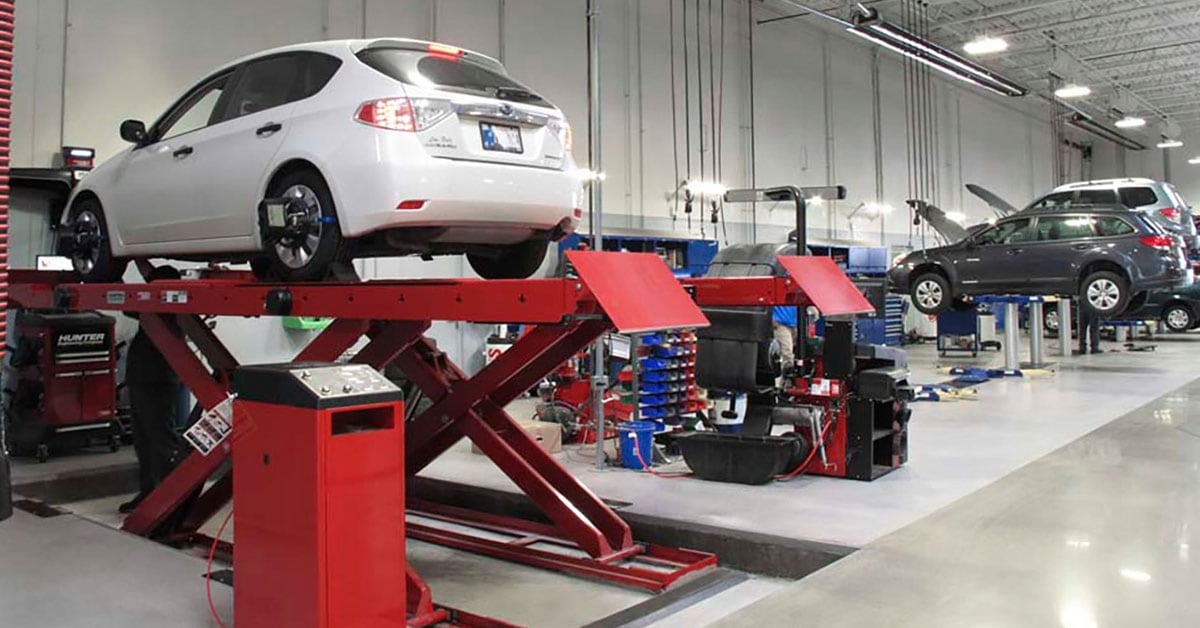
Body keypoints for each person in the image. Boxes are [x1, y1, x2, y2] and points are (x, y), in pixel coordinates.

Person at [119, 266, 186, 514]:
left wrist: (113, 273)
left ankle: (169, 497)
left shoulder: (167, 308)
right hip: (143, 380)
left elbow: (127, 304)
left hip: (156, 382)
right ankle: (149, 492)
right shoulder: (157, 307)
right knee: (143, 440)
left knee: (159, 439)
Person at [772, 305, 797, 372]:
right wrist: (772, 319)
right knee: (787, 350)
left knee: (798, 351)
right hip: (781, 323)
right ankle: (787, 374)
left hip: (796, 323)